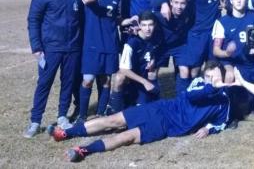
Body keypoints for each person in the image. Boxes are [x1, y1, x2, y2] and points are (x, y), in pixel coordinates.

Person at [49, 61, 231, 162]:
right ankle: (66, 132)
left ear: (222, 76)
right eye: (208, 76)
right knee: (113, 121)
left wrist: (209, 128)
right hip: (160, 108)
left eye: (215, 77)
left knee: (125, 137)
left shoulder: (224, 102)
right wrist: (212, 87)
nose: (212, 80)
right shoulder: (199, 85)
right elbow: (192, 97)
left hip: (166, 126)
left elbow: (222, 122)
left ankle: (84, 150)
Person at [24, 0, 83, 137]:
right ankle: (35, 121)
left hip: (73, 47)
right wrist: (36, 46)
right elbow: (33, 19)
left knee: (68, 83)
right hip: (50, 48)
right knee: (44, 84)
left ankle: (62, 116)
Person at [77, 0, 122, 123]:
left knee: (106, 81)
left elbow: (115, 19)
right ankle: (82, 116)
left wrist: (130, 22)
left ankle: (101, 113)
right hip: (92, 45)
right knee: (88, 80)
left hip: (110, 44)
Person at [108, 11, 161, 114]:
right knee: (119, 77)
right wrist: (144, 82)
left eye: (150, 24)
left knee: (148, 113)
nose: (148, 28)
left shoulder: (157, 39)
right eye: (144, 25)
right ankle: (114, 109)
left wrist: (153, 63)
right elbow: (123, 69)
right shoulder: (132, 43)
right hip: (133, 80)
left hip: (146, 79)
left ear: (155, 24)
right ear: (139, 25)